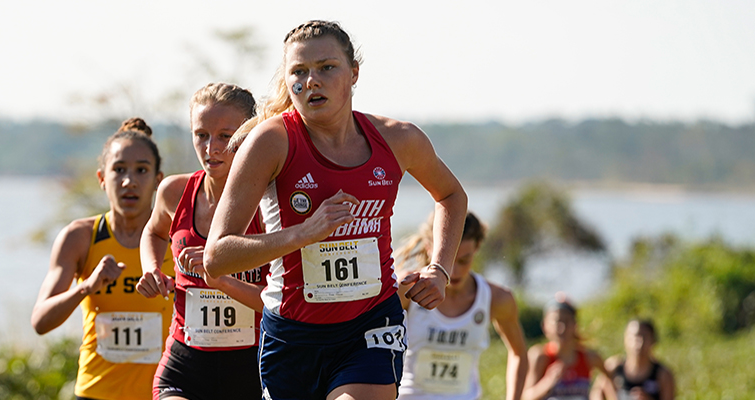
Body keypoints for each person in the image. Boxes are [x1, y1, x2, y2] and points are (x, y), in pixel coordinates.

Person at [203, 20, 468, 400]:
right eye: (299, 71)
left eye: (327, 67)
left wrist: (439, 269)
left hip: (371, 325)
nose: (312, 81)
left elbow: (452, 196)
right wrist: (304, 233)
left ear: (353, 73)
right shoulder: (270, 143)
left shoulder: (398, 139)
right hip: (291, 334)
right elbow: (217, 257)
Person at [134, 83, 267, 400]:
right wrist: (152, 269)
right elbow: (153, 232)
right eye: (201, 134)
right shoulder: (174, 192)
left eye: (225, 135)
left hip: (253, 366)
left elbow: (281, 304)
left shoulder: (269, 202)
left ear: (250, 134)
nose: (211, 147)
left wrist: (221, 280)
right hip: (185, 363)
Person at [31, 117, 174, 400]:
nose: (129, 181)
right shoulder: (80, 237)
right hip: (97, 392)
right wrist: (86, 287)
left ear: (158, 180)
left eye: (141, 170)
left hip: (164, 393)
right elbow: (40, 322)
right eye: (118, 170)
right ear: (101, 179)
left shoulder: (177, 238)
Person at [396, 211, 528, 400]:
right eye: (447, 260)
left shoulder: (498, 299)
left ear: (477, 248)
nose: (454, 271)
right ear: (428, 249)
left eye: (464, 260)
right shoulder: (406, 288)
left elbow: (519, 354)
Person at [523, 293, 615, 400]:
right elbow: (526, 396)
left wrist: (597, 393)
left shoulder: (589, 357)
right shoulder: (540, 356)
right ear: (545, 326)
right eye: (557, 322)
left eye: (567, 321)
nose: (562, 328)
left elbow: (611, 379)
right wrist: (548, 381)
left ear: (575, 325)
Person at [590, 319, 675, 400]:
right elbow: (596, 393)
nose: (639, 343)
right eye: (634, 337)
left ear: (653, 340)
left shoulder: (662, 374)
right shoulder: (613, 367)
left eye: (644, 337)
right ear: (625, 339)